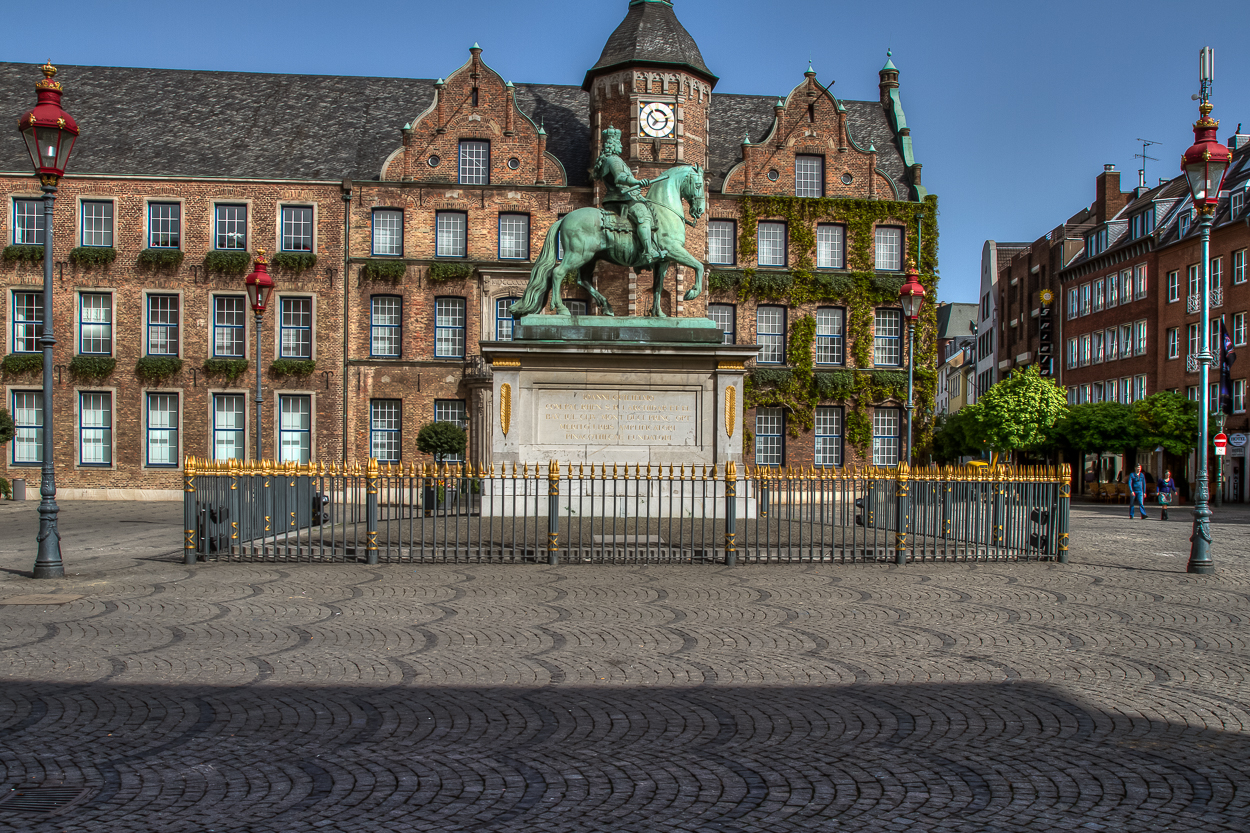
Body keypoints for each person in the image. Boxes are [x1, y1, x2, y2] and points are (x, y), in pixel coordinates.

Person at [592, 126, 666, 264]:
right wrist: (636, 181)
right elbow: (619, 177)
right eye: (619, 143)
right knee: (643, 217)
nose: (621, 145)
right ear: (613, 144)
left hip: (617, 198)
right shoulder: (614, 160)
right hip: (622, 198)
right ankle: (648, 252)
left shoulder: (610, 160)